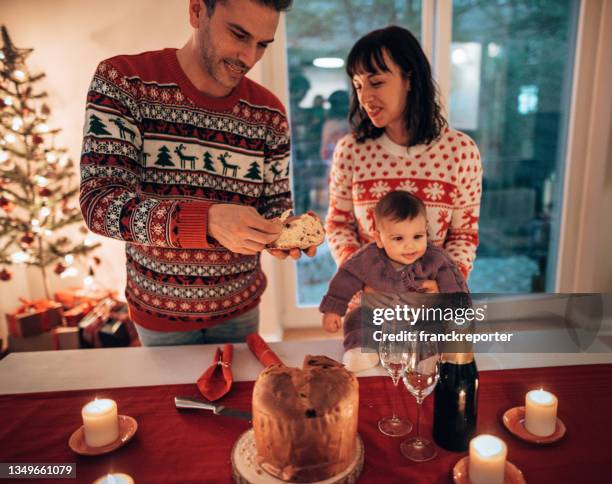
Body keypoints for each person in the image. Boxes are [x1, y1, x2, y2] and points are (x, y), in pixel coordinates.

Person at [80, 0, 316, 346]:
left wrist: (279, 234)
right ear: (196, 11)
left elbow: (274, 208)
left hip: (242, 310)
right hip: (160, 315)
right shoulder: (123, 82)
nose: (249, 58)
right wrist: (206, 222)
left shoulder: (270, 115)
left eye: (263, 44)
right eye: (238, 34)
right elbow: (100, 205)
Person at [325, 26, 482, 287]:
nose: (364, 97)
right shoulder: (351, 150)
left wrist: (444, 286)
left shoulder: (460, 152)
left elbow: (463, 236)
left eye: (376, 82)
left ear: (410, 78)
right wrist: (362, 278)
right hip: (368, 305)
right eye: (358, 85)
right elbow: (338, 225)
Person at [320, 191, 468, 371]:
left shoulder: (436, 259)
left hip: (418, 318)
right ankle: (361, 350)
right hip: (379, 319)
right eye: (398, 238)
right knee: (356, 319)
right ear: (379, 239)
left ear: (426, 230)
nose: (410, 246)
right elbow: (345, 279)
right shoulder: (367, 259)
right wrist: (333, 310)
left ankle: (426, 356)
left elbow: (454, 285)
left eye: (418, 236)